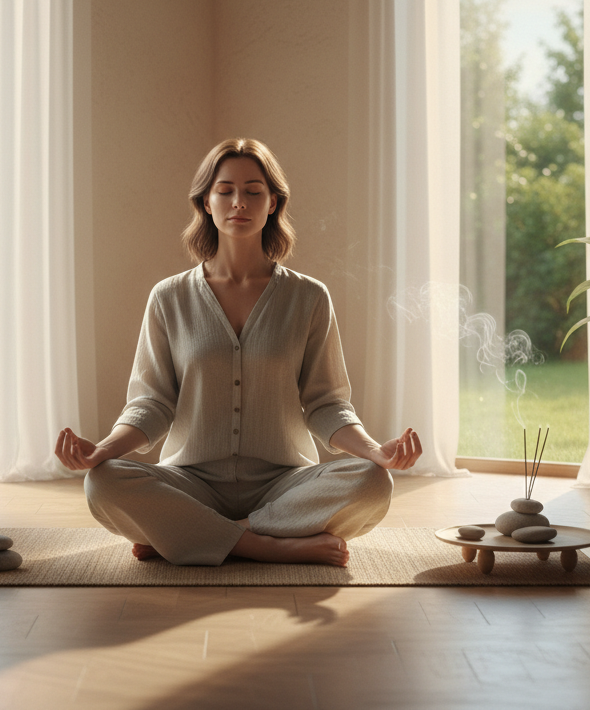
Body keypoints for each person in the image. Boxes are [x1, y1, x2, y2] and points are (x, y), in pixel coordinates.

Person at [55, 138, 422, 566]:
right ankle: (265, 544)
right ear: (206, 203)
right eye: (225, 190)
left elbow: (326, 405)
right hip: (189, 481)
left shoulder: (309, 298)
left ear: (273, 203)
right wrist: (101, 451)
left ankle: (189, 535)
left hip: (285, 483)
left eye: (253, 191)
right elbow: (151, 404)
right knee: (103, 482)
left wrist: (376, 451)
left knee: (373, 483)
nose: (238, 203)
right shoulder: (168, 298)